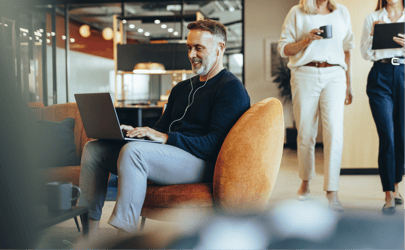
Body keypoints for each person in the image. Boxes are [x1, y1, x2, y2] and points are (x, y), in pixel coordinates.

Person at [77, 19, 250, 236]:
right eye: (189, 48)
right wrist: (135, 132)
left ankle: (125, 238)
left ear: (220, 48)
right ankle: (89, 236)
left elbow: (214, 145)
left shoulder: (231, 89)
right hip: (169, 157)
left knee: (134, 153)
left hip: (200, 163)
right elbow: (161, 128)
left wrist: (167, 138)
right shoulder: (181, 88)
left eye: (199, 48)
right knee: (95, 150)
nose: (191, 55)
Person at [278, 0, 354, 211]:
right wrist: (306, 40)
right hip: (305, 73)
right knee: (306, 133)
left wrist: (349, 83)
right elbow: (284, 49)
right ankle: (305, 182)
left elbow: (348, 49)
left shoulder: (341, 13)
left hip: (335, 75)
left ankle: (332, 190)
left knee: (334, 132)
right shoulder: (297, 12)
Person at [360, 0, 404, 215]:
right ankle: (388, 194)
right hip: (380, 77)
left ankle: (396, 186)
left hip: (404, 74)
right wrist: (372, 34)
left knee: (402, 136)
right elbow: (365, 54)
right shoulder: (373, 17)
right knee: (387, 135)